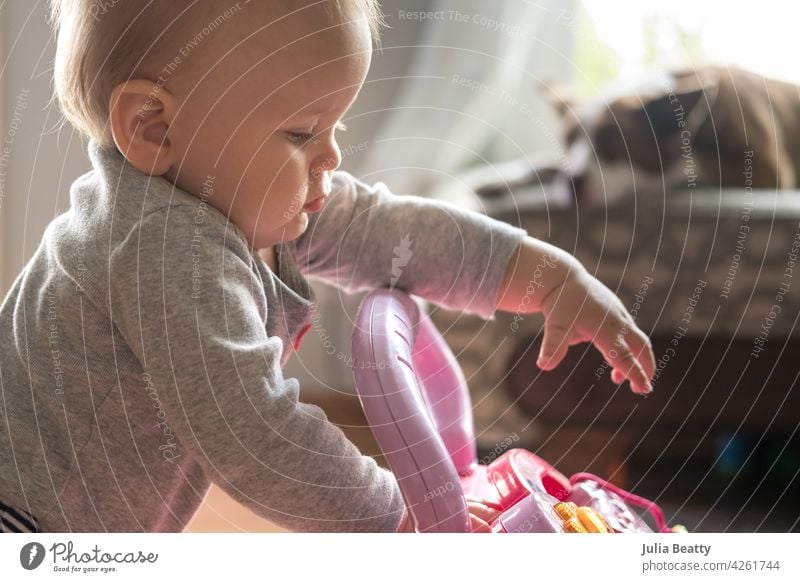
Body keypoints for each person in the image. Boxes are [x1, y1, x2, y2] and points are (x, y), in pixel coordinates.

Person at [0, 0, 655, 533]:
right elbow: (250, 432)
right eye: (300, 133)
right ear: (152, 126)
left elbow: (390, 232)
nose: (331, 158)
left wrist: (546, 275)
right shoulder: (159, 248)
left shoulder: (235, 194)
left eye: (334, 126)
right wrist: (395, 511)